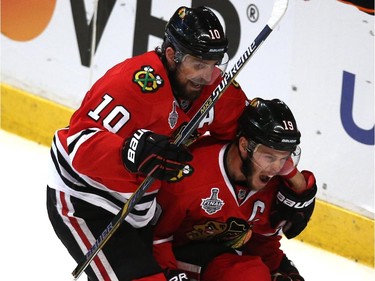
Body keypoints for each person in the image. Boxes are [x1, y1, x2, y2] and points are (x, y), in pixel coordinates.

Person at [46, 5, 250, 281]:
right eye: (198, 64)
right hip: (88, 200)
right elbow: (80, 144)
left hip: (141, 207)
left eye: (214, 65)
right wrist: (128, 152)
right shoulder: (132, 85)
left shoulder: (214, 89)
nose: (206, 76)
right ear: (171, 55)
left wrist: (291, 181)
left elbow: (252, 138)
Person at [152, 98, 317, 281]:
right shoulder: (190, 175)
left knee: (250, 275)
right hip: (172, 255)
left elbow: (263, 242)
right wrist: (171, 275)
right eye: (269, 157)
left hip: (217, 258)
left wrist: (283, 269)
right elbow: (156, 238)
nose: (275, 168)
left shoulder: (270, 184)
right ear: (245, 146)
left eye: (283, 158)